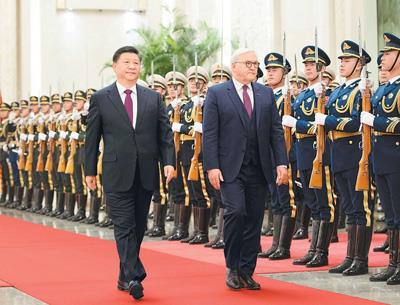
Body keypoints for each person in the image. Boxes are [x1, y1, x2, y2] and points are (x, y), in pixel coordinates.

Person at [85, 46, 174, 300]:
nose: (132, 66)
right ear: (115, 67)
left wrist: (169, 162)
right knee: (123, 225)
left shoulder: (152, 98)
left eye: (136, 62)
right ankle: (135, 276)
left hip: (146, 171)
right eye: (126, 62)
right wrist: (89, 169)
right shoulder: (101, 98)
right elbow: (92, 137)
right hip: (115, 171)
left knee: (137, 226)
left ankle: (124, 275)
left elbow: (164, 135)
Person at [203, 48, 288, 290]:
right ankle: (232, 266)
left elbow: (275, 131)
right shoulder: (217, 93)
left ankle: (246, 270)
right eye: (249, 63)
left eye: (255, 63)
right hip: (229, 168)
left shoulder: (264, 94)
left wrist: (281, 162)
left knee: (253, 219)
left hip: (259, 167)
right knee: (236, 212)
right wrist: (212, 167)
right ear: (234, 66)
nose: (254, 67)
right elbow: (210, 134)